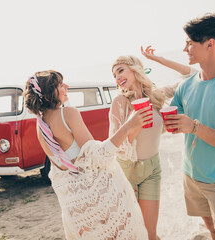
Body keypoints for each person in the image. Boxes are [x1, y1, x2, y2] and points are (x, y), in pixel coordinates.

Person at [145, 14, 215, 240]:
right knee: (211, 231)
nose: (185, 49)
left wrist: (193, 127)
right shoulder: (187, 85)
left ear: (210, 44)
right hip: (191, 175)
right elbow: (170, 123)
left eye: (190, 43)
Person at [24, 70, 153, 240]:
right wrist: (129, 125)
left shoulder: (41, 126)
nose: (66, 87)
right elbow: (99, 156)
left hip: (77, 210)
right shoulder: (67, 113)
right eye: (61, 85)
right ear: (49, 95)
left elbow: (62, 170)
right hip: (100, 204)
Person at [110, 55, 190, 240]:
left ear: (135, 69)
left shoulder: (155, 96)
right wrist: (134, 124)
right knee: (132, 233)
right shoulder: (120, 102)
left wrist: (159, 59)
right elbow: (116, 146)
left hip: (152, 169)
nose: (117, 77)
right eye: (114, 74)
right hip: (127, 170)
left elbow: (191, 77)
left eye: (120, 70)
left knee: (150, 233)